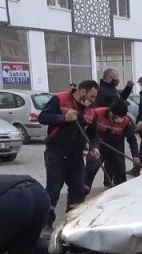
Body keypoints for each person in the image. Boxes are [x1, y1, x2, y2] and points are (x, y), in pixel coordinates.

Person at [38, 79, 100, 232]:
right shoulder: (60, 99)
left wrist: (94, 147)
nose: (93, 100)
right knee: (53, 189)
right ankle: (45, 223)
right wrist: (63, 118)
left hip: (76, 155)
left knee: (78, 191)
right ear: (82, 91)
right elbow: (43, 117)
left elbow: (93, 133)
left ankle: (71, 223)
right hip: (56, 152)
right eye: (91, 96)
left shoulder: (91, 109)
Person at [84, 99, 140, 192]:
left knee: (120, 170)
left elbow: (132, 139)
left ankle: (120, 191)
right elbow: (88, 130)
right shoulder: (97, 113)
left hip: (115, 145)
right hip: (98, 145)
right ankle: (83, 190)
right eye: (117, 117)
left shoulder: (125, 122)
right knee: (91, 167)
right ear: (111, 112)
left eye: (121, 117)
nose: (119, 120)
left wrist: (135, 155)